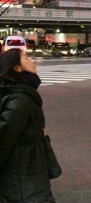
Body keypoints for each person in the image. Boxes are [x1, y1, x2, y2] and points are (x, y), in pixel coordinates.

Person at [0, 49, 57, 203]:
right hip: (23, 165)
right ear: (17, 68)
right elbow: (4, 136)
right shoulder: (20, 98)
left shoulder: (13, 90)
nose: (33, 60)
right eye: (26, 57)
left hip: (26, 163)